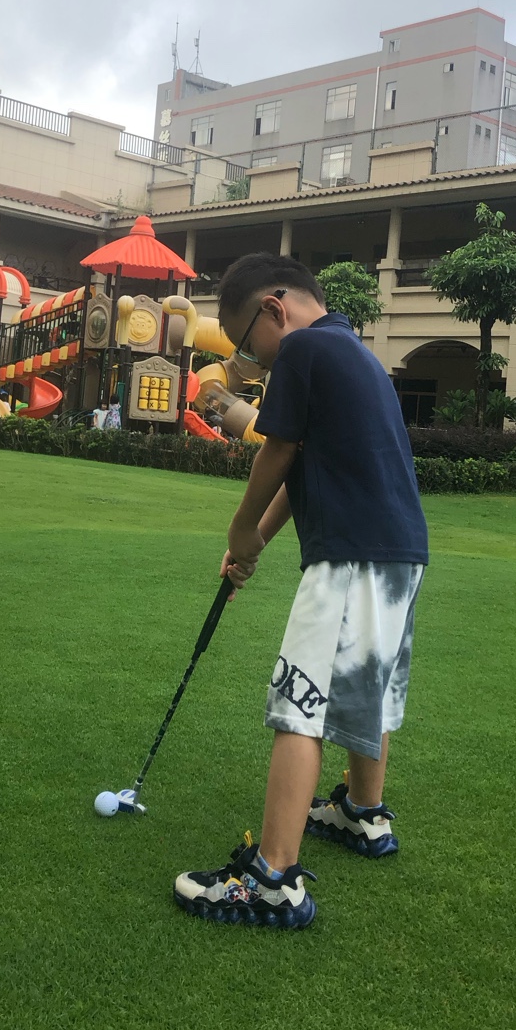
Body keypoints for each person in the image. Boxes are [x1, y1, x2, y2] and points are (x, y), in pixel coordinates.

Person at [173, 254, 429, 930]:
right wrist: (254, 541)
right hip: (399, 551)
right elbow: (305, 464)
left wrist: (238, 526)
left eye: (243, 343)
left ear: (274, 309)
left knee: (300, 703)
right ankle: (362, 813)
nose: (249, 360)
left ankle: (272, 880)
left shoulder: (303, 349)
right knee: (367, 686)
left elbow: (278, 449)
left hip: (350, 552)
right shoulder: (352, 350)